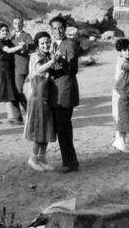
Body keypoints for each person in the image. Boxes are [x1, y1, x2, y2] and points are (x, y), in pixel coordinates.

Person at [48, 16, 80, 173]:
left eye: (60, 28)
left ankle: (71, 162)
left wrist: (62, 62)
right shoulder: (52, 44)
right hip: (55, 92)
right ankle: (68, 160)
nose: (58, 31)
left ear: (65, 28)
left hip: (65, 92)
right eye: (54, 28)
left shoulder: (70, 44)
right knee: (61, 128)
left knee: (64, 128)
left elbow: (73, 69)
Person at [23, 32, 57, 171]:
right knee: (40, 129)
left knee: (47, 128)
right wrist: (52, 62)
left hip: (46, 96)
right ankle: (32, 158)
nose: (45, 45)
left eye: (47, 42)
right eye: (42, 43)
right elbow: (38, 70)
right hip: (38, 96)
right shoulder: (36, 56)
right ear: (38, 45)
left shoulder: (47, 55)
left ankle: (42, 158)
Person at [0, 23, 22, 124]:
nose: (5, 32)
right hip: (2, 69)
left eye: (6, 30)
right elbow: (8, 50)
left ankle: (0, 116)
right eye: (3, 30)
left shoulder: (4, 41)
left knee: (5, 92)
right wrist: (20, 47)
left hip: (6, 69)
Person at [11, 17, 34, 121]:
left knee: (18, 91)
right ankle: (17, 116)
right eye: (15, 23)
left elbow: (33, 46)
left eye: (20, 23)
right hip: (12, 67)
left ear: (23, 24)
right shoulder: (11, 37)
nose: (18, 25)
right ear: (13, 25)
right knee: (13, 91)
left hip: (21, 66)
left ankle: (30, 112)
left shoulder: (26, 35)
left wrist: (26, 46)